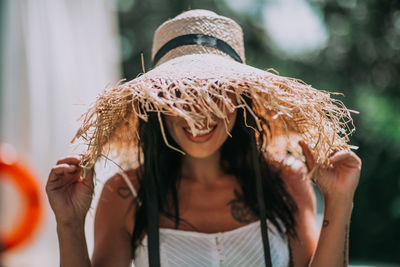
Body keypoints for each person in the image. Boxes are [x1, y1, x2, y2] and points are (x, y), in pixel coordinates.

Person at [46, 9, 361, 267]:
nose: (198, 112)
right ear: (157, 105)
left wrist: (339, 201)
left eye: (216, 91)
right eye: (179, 93)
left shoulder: (285, 181)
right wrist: (70, 225)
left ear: (240, 99)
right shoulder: (125, 194)